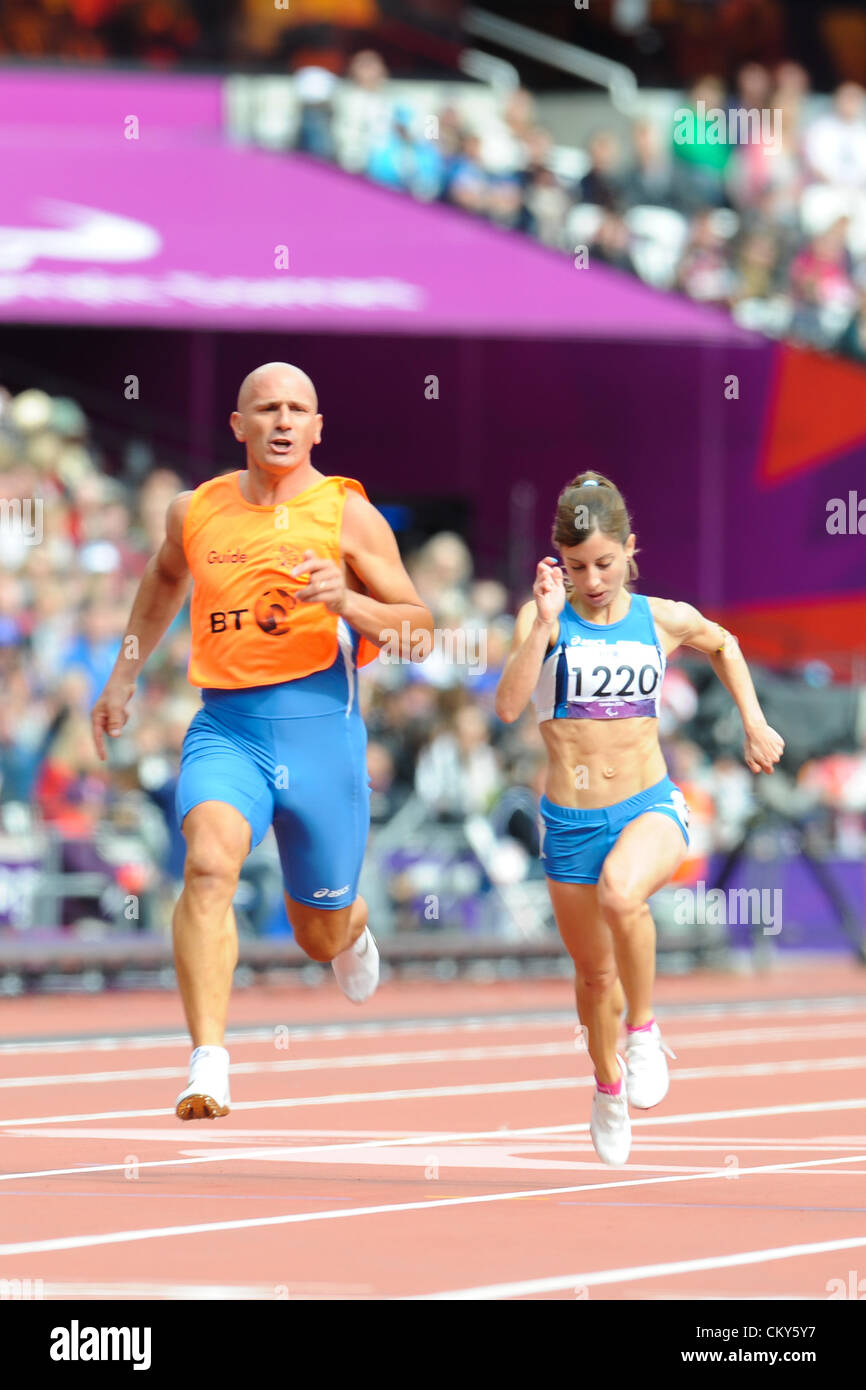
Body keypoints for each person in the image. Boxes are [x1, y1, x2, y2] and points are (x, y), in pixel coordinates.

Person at [91, 362, 434, 1121]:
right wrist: (122, 675)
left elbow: (421, 630)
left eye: (298, 409)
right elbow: (160, 583)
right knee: (209, 864)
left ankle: (352, 928)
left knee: (318, 936)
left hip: (323, 739)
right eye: (267, 408)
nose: (283, 421)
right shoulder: (195, 510)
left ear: (318, 428)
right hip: (228, 728)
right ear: (238, 426)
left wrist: (346, 598)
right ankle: (207, 1061)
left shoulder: (346, 515)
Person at [495, 471, 783, 1166]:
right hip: (569, 820)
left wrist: (754, 721)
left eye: (604, 563)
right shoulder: (544, 618)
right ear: (557, 564)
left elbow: (724, 643)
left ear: (630, 550)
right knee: (595, 981)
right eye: (575, 567)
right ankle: (606, 1085)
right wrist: (539, 622)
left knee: (624, 893)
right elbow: (507, 707)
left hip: (649, 802)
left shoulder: (661, 617)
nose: (591, 580)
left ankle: (646, 1032)